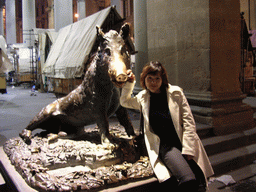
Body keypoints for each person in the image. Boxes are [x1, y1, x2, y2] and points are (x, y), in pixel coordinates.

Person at [121, 61, 214, 191]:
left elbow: (189, 122)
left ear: (162, 79)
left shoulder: (175, 93)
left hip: (182, 141)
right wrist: (130, 83)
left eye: (157, 78)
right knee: (188, 180)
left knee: (200, 182)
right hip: (165, 146)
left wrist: (188, 148)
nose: (153, 82)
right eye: (150, 79)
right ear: (144, 79)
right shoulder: (143, 97)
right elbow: (124, 101)